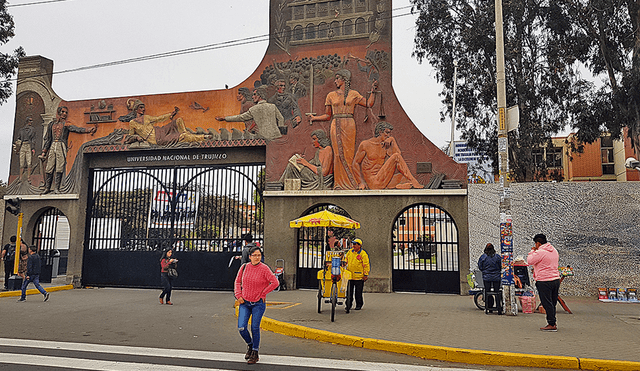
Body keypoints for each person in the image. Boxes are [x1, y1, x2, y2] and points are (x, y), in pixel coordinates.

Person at [308, 69, 377, 190]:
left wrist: (373, 92)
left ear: (344, 79)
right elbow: (327, 116)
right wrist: (314, 118)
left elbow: (369, 104)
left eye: (337, 78)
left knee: (349, 155)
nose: (335, 81)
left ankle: (352, 183)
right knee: (338, 155)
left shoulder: (354, 94)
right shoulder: (331, 95)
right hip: (335, 124)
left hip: (349, 124)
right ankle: (339, 184)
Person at [234, 245, 279, 364]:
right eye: (254, 255)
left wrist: (263, 293)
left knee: (255, 327)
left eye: (259, 255)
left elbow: (275, 282)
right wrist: (238, 295)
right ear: (250, 257)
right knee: (241, 327)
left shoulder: (264, 268)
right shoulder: (244, 267)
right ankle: (250, 345)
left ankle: (255, 352)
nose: (257, 257)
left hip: (258, 304)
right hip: (245, 302)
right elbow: (237, 281)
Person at [40, 106, 97, 194]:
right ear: (59, 112)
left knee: (59, 167)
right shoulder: (51, 124)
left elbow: (76, 129)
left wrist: (88, 129)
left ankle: (56, 188)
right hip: (52, 146)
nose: (64, 114)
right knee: (49, 167)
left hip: (61, 146)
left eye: (66, 112)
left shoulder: (66, 124)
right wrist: (44, 152)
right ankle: (47, 188)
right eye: (63, 112)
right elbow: (48, 139)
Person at [353, 121, 422, 189]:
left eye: (390, 133)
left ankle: (399, 186)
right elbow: (355, 163)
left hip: (382, 179)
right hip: (373, 182)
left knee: (402, 178)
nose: (388, 136)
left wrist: (392, 140)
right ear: (380, 132)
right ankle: (414, 182)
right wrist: (360, 182)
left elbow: (399, 157)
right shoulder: (365, 144)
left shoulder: (385, 145)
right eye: (387, 132)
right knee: (396, 158)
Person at [121, 100, 211, 146]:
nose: (143, 109)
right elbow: (130, 136)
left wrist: (170, 114)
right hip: (157, 139)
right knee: (183, 137)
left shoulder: (146, 117)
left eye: (143, 107)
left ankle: (186, 133)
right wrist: (136, 137)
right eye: (141, 107)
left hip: (160, 131)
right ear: (136, 109)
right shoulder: (132, 123)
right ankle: (203, 137)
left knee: (179, 120)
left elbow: (159, 118)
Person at [216, 87, 285, 142]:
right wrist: (281, 132)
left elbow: (240, 117)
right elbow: (281, 119)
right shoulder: (272, 106)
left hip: (263, 137)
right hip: (276, 136)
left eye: (254, 95)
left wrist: (225, 118)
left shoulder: (253, 109)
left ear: (259, 96)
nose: (252, 97)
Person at [527, 234, 560, 331]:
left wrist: (532, 251)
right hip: (555, 279)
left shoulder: (540, 252)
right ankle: (553, 321)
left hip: (544, 280)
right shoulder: (553, 250)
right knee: (552, 302)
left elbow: (530, 261)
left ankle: (551, 323)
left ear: (538, 243)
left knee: (546, 303)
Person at [344, 238, 370, 313]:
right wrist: (344, 263)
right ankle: (348, 305)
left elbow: (366, 265)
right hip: (350, 276)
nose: (353, 245)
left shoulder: (363, 254)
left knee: (358, 292)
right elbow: (346, 260)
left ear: (359, 245)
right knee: (349, 292)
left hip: (359, 277)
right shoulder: (350, 252)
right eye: (353, 244)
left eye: (355, 244)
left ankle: (359, 304)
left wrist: (365, 274)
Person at [477, 243, 501, 313]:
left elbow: (480, 266)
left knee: (488, 292)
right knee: (497, 292)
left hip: (486, 277)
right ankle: (498, 308)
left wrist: (485, 271)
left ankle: (489, 308)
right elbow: (500, 266)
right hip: (496, 277)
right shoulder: (497, 257)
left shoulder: (483, 257)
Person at [14, 117, 37, 183]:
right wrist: (17, 145)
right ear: (27, 121)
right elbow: (18, 138)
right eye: (30, 121)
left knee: (29, 162)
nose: (31, 122)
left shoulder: (32, 130)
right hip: (22, 146)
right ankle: (20, 178)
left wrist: (32, 148)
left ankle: (28, 178)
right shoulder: (21, 130)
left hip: (29, 146)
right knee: (22, 163)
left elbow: (33, 140)